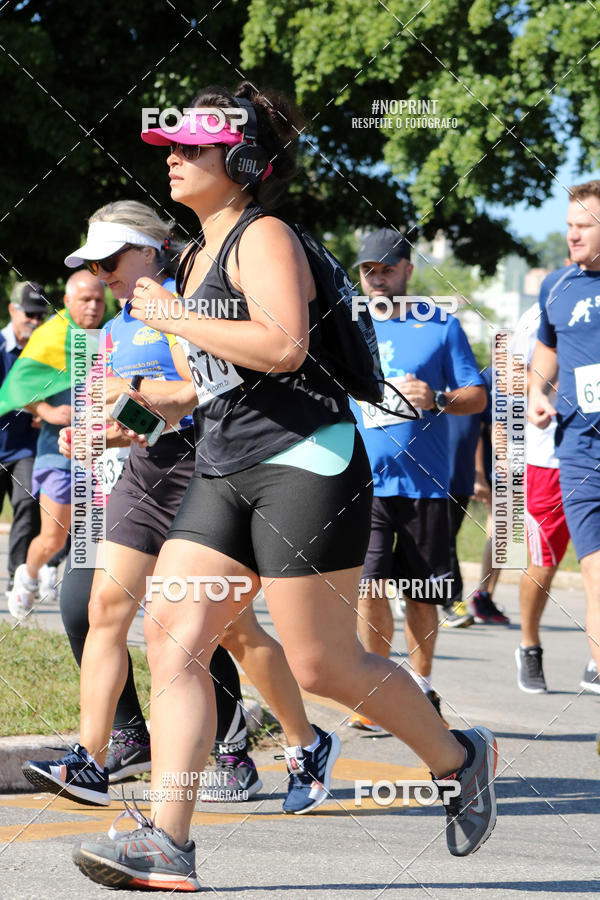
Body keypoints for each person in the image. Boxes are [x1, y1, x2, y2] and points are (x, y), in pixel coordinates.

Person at [72, 83, 498, 891]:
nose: (174, 161)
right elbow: (222, 377)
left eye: (192, 149)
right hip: (225, 464)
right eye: (172, 148)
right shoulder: (190, 257)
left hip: (309, 459)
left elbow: (283, 346)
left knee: (322, 665)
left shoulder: (264, 237)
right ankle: (169, 840)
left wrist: (170, 319)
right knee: (172, 637)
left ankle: (457, 755)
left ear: (238, 160)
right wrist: (154, 404)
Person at [23, 201, 326, 811]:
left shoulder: (184, 300)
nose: (103, 273)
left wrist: (130, 401)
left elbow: (194, 394)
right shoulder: (114, 326)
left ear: (150, 249)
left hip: (206, 470)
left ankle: (304, 743)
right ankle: (91, 760)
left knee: (232, 631)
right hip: (147, 474)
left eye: (112, 259)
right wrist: (93, 431)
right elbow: (132, 415)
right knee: (104, 607)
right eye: (93, 263)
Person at [349, 228, 487, 730]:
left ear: (408, 269)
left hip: (426, 485)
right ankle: (377, 687)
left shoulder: (440, 325)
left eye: (386, 269)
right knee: (368, 587)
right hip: (365, 484)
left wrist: (438, 399)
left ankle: (422, 686)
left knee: (420, 594)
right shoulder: (347, 327)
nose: (377, 280)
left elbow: (477, 396)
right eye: (368, 271)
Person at [528, 179, 600, 703]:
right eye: (569, 225)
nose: (571, 234)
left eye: (583, 226)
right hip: (579, 448)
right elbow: (546, 354)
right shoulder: (555, 286)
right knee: (595, 562)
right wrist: (537, 391)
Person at [6, 271, 105, 619]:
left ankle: (96, 606)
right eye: (85, 300)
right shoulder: (52, 334)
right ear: (66, 301)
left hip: (105, 454)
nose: (93, 307)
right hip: (57, 454)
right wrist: (46, 409)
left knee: (100, 535)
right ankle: (28, 577)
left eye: (99, 300)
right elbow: (18, 384)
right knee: (53, 539)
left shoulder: (106, 336)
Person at [510, 303, 570, 693]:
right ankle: (529, 644)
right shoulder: (544, 309)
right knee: (544, 563)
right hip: (547, 458)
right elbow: (512, 375)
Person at [0, 283, 46, 597]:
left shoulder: (43, 350)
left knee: (28, 503)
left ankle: (15, 577)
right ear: (13, 310)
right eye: (29, 313)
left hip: (26, 445)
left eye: (40, 315)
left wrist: (48, 409)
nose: (35, 321)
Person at [467, 366, 511, 625]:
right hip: (500, 466)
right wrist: (480, 474)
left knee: (504, 533)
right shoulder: (494, 375)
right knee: (502, 529)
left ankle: (486, 595)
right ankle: (482, 595)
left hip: (516, 463)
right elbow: (488, 427)